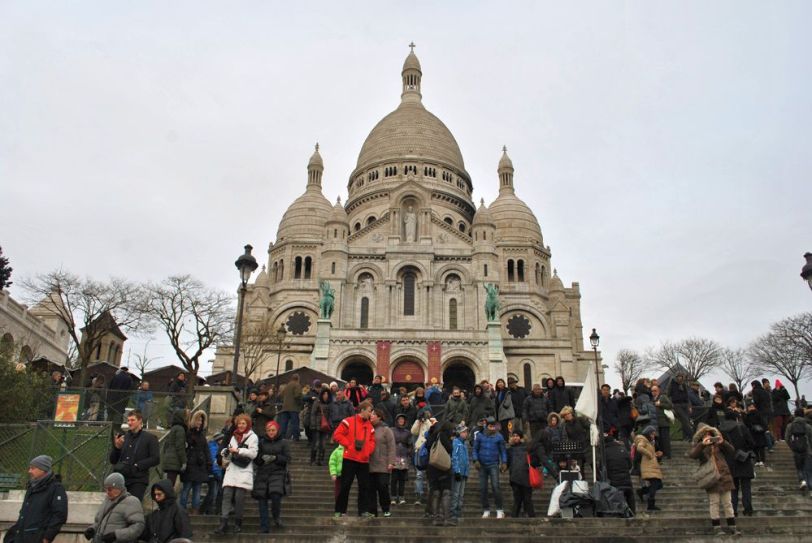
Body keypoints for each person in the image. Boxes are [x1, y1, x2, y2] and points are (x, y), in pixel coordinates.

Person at [4, 455, 68, 543]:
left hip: (36, 538)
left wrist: (47, 538)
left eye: (33, 468)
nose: (29, 471)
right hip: (20, 537)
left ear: (43, 469)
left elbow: (60, 515)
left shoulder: (56, 488)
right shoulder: (31, 486)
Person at [214, 413, 258, 535]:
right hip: (232, 469)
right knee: (227, 495)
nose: (241, 425)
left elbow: (253, 453)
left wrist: (238, 450)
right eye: (239, 423)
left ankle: (238, 523)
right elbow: (228, 450)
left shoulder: (253, 437)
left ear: (248, 424)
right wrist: (225, 452)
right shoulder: (233, 436)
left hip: (244, 470)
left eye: (243, 423)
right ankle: (223, 523)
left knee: (239, 498)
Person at [332, 400, 376, 517]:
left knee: (364, 487)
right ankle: (340, 511)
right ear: (362, 410)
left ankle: (363, 511)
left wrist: (367, 451)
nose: (371, 414)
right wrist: (350, 445)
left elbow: (372, 442)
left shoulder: (370, 427)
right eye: (369, 411)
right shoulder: (348, 421)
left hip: (363, 460)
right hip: (350, 458)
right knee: (345, 485)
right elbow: (337, 434)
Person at [110, 410, 160, 501]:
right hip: (122, 478)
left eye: (132, 420)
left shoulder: (150, 438)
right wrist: (117, 448)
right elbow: (113, 460)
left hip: (138, 479)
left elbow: (156, 458)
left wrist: (138, 465)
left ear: (140, 420)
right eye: (128, 420)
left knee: (133, 504)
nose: (129, 423)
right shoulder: (124, 438)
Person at [85, 473, 145, 543]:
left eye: (110, 489)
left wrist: (116, 535)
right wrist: (92, 529)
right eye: (106, 489)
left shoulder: (131, 501)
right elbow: (99, 521)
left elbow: (138, 526)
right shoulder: (107, 500)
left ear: (119, 488)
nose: (107, 492)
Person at [253, 420, 290, 532]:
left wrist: (276, 458)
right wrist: (261, 458)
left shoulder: (283, 443)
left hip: (277, 473)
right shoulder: (262, 442)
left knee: (275, 496)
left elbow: (287, 458)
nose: (271, 432)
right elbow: (256, 458)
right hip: (263, 473)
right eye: (269, 430)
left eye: (273, 430)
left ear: (277, 430)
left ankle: (276, 516)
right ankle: (264, 526)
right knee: (262, 500)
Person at [718, 411, 755, 516]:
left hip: (729, 460)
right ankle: (748, 509)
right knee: (746, 487)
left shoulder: (721, 430)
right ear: (736, 418)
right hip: (743, 459)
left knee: (733, 488)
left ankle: (733, 510)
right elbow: (751, 443)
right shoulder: (741, 427)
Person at [473, 417, 507, 519]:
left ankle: (499, 509)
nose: (492, 428)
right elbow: (475, 449)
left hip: (493, 464)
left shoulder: (499, 437)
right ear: (486, 426)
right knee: (483, 488)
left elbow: (503, 451)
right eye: (490, 426)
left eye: (493, 426)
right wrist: (475, 460)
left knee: (496, 486)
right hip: (482, 465)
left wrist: (504, 462)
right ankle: (486, 509)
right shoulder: (479, 436)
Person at [180, 410, 210, 514]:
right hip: (191, 464)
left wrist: (208, 463)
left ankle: (194, 510)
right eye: (198, 420)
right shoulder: (189, 433)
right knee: (187, 489)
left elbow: (206, 450)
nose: (200, 422)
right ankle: (182, 510)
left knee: (196, 490)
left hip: (199, 465)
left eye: (201, 420)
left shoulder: (201, 435)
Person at [367, 407, 395, 517]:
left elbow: (391, 447)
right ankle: (372, 511)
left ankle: (386, 508)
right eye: (370, 414)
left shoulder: (386, 430)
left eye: (373, 414)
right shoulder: (367, 428)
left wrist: (391, 462)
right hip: (369, 464)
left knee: (383, 487)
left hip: (383, 464)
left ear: (379, 417)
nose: (371, 416)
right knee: (370, 489)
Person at [425, 420, 454, 525]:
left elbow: (427, 446)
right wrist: (451, 441)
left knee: (435, 492)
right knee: (446, 492)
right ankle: (447, 519)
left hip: (432, 467)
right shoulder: (443, 435)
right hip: (443, 467)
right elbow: (450, 449)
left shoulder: (433, 436)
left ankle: (435, 519)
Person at [506, 430, 539, 518]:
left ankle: (532, 518)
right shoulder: (510, 450)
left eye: (517, 436)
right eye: (514, 436)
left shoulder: (528, 448)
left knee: (527, 500)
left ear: (521, 437)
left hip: (526, 476)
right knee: (517, 500)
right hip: (515, 478)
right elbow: (508, 463)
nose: (515, 437)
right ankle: (514, 518)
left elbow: (535, 461)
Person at [603, 434, 635, 515]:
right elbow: (630, 464)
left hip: (614, 481)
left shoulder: (605, 452)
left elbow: (602, 466)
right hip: (626, 479)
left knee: (615, 497)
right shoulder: (623, 449)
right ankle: (633, 512)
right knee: (630, 495)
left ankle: (618, 513)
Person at [634, 426, 663, 512]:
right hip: (648, 467)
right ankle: (651, 504)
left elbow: (651, 453)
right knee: (655, 484)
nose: (654, 436)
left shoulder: (649, 442)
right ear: (648, 433)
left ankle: (642, 492)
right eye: (652, 434)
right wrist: (650, 454)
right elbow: (639, 448)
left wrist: (656, 454)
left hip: (652, 466)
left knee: (659, 484)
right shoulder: (643, 440)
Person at [785, 408, 812, 491]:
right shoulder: (808, 426)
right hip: (807, 449)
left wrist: (792, 446)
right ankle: (810, 487)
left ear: (795, 415)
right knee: (807, 469)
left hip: (796, 449)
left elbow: (786, 438)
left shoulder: (790, 425)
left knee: (799, 467)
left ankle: (802, 480)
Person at [411, 407, 434, 506]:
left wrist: (427, 420)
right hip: (419, 449)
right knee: (419, 475)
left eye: (427, 413)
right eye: (424, 413)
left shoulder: (431, 422)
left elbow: (431, 431)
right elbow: (413, 431)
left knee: (429, 475)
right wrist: (418, 421)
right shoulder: (419, 422)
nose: (425, 415)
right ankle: (418, 495)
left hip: (428, 450)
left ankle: (430, 496)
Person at [448, 424, 469, 526]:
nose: (466, 434)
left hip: (464, 473)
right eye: (464, 432)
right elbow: (454, 457)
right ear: (460, 433)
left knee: (461, 494)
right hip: (458, 473)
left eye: (466, 432)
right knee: (456, 493)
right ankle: (453, 512)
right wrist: (456, 471)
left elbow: (466, 460)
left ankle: (458, 511)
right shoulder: (456, 442)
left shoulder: (464, 444)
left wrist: (466, 472)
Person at [199, 433, 223, 515]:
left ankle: (207, 510)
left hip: (216, 474)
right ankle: (205, 509)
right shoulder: (213, 447)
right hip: (213, 474)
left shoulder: (217, 447)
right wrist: (217, 474)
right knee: (213, 493)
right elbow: (214, 463)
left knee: (213, 493)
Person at [390, 414, 412, 505]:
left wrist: (408, 452)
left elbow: (410, 444)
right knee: (394, 478)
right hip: (394, 455)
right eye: (399, 419)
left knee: (402, 478)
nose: (401, 420)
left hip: (404, 456)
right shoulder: (392, 430)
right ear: (396, 420)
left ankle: (402, 496)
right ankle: (393, 497)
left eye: (403, 419)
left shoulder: (407, 432)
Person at [161, 410, 187, 486]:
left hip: (169, 459)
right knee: (169, 485)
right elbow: (180, 446)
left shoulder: (174, 428)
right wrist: (184, 461)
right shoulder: (180, 429)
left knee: (168, 484)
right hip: (174, 461)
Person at [668, 373, 694, 441]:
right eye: (679, 377)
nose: (680, 378)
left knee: (686, 421)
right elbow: (668, 394)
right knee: (685, 419)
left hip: (685, 404)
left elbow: (687, 396)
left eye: (681, 377)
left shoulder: (684, 385)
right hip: (677, 404)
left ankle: (685, 437)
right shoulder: (672, 384)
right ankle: (692, 436)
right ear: (676, 377)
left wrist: (689, 406)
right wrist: (671, 406)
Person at [309, 389, 332, 465]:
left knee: (323, 444)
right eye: (324, 394)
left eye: (327, 394)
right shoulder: (317, 402)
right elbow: (313, 413)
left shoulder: (329, 404)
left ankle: (320, 460)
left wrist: (330, 425)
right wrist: (313, 424)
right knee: (316, 444)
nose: (326, 395)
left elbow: (329, 416)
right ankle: (313, 460)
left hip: (324, 427)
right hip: (316, 426)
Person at [650, 385, 673, 459]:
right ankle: (662, 454)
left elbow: (670, 405)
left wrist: (661, 404)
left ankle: (668, 454)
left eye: (655, 390)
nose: (653, 392)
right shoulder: (653, 399)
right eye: (652, 391)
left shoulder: (663, 397)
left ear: (658, 391)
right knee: (660, 440)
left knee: (665, 439)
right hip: (657, 423)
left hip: (664, 422)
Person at [743, 402, 769, 467]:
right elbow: (746, 423)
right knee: (755, 447)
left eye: (752, 407)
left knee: (761, 447)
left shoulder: (758, 413)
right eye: (750, 407)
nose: (751, 408)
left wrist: (765, 429)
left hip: (759, 432)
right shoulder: (747, 415)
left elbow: (763, 422)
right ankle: (757, 460)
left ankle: (762, 460)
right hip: (753, 433)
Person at [278, 375, 303, 441]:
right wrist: (300, 403)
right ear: (298, 379)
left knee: (284, 423)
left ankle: (282, 437)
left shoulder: (287, 386)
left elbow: (281, 395)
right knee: (295, 422)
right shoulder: (297, 385)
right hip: (294, 407)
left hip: (285, 407)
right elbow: (297, 395)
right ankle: (295, 437)